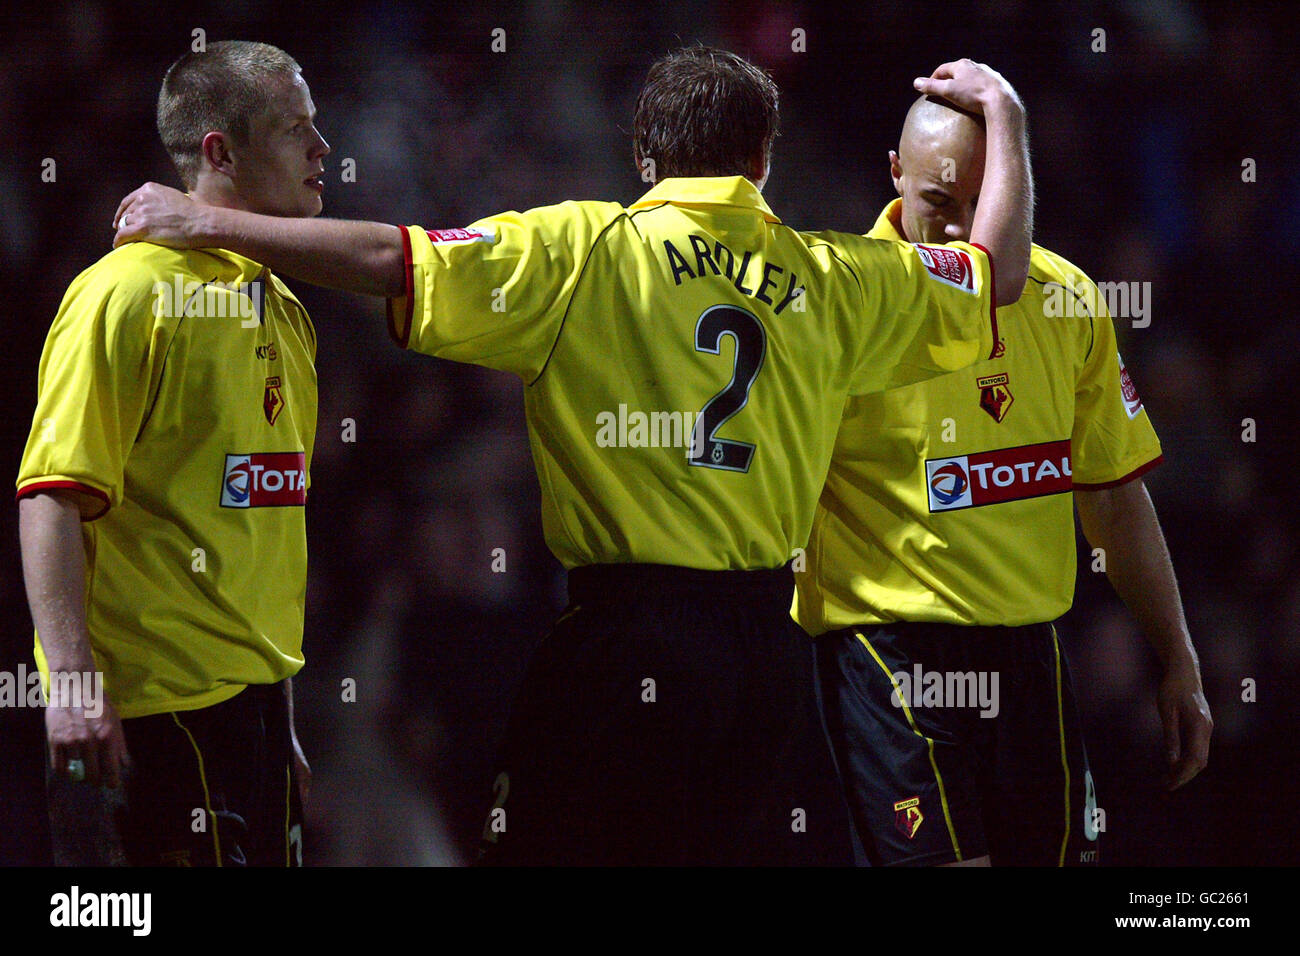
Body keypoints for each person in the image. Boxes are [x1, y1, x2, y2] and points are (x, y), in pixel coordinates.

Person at [111, 50, 1032, 865]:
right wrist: (1008, 122)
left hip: (631, 637)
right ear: (761, 161)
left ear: (642, 157)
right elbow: (997, 276)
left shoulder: (580, 247)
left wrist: (209, 226)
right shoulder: (839, 276)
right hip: (769, 662)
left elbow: (391, 258)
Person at [792, 94, 1212, 867]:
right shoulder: (838, 300)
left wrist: (1178, 659)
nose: (958, 231)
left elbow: (1114, 500)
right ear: (894, 175)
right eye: (937, 203)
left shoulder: (1069, 300)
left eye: (979, 203)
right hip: (891, 655)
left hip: (1029, 659)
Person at [17, 40, 329, 866]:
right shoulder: (123, 295)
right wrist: (74, 690)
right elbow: (50, 497)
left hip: (253, 714)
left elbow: (260, 527)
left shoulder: (283, 301)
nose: (324, 150)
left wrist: (282, 720)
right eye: (297, 129)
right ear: (221, 152)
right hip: (151, 718)